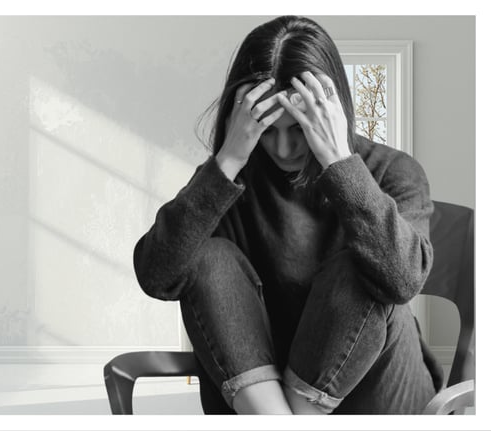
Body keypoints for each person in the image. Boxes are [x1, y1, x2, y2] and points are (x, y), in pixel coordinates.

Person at [132, 15, 442, 414]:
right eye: (267, 129)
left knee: (361, 269)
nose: (282, 148)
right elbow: (157, 276)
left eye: (298, 128)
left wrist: (339, 161)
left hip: (378, 395)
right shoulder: (230, 178)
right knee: (208, 259)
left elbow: (402, 280)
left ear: (331, 112)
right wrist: (228, 159)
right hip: (265, 398)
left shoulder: (393, 171)